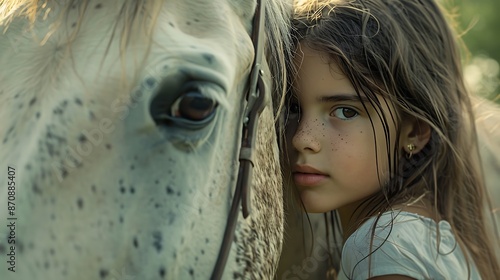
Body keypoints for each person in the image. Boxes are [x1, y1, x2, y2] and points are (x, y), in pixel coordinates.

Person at [281, 0, 500, 279]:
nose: (302, 138)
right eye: (293, 109)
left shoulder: (383, 247)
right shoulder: (430, 238)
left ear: (415, 132)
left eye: (346, 111)